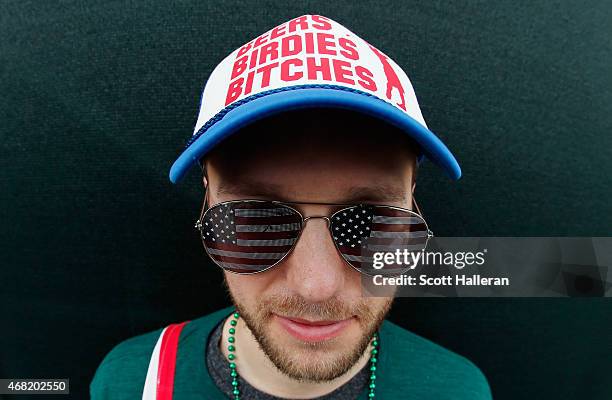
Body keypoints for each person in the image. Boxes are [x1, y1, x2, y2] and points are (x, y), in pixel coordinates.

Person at [91, 14, 491, 400]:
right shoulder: (133, 381)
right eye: (257, 220)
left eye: (368, 222)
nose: (315, 287)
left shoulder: (455, 389)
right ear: (206, 198)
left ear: (413, 206)